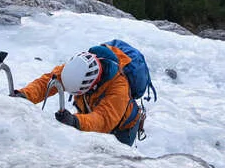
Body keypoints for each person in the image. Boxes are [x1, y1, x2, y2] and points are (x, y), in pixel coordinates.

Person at [13, 43, 144, 146]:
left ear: (92, 84)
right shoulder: (78, 67)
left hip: (123, 128)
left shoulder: (119, 86)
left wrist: (75, 121)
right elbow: (47, 82)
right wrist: (25, 95)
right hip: (92, 112)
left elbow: (103, 119)